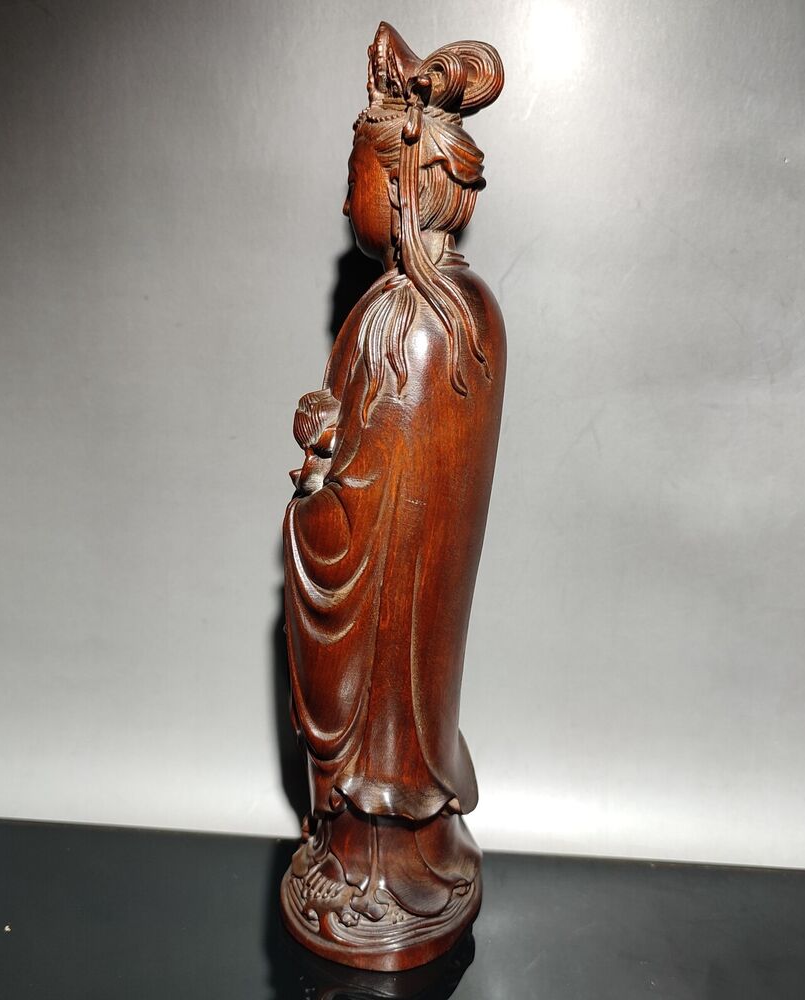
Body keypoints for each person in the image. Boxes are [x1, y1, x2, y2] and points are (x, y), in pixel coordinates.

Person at [280, 22, 506, 969]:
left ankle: (384, 870)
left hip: (396, 617)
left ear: (403, 184)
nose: (346, 202)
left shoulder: (415, 322)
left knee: (390, 715)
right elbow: (376, 454)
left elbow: (380, 511)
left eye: (356, 181)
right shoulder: (455, 313)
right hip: (409, 608)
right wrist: (333, 439)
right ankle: (375, 854)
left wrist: (316, 491)